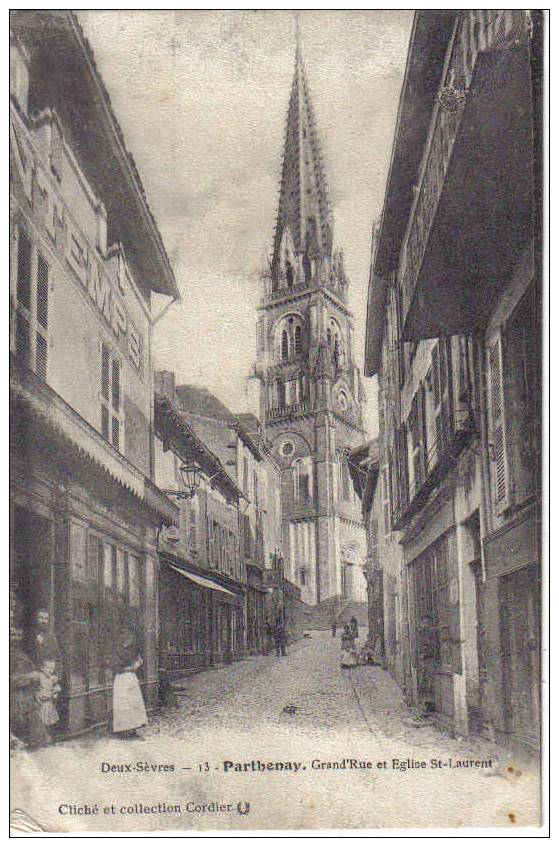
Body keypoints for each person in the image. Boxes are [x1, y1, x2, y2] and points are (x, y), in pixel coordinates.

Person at [10, 623, 49, 748]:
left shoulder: (21, 653)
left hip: (27, 699)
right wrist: (28, 677)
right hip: (14, 700)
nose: (15, 638)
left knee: (40, 739)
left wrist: (36, 683)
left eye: (17, 635)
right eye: (12, 635)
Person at [112, 632, 148, 739]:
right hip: (122, 680)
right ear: (124, 640)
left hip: (131, 678)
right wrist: (131, 668)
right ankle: (123, 730)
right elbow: (116, 667)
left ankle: (133, 729)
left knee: (134, 704)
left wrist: (138, 663)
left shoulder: (130, 651)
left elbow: (137, 660)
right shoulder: (117, 651)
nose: (130, 642)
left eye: (131, 640)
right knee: (124, 705)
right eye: (128, 639)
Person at [36, 658, 61, 732]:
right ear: (42, 668)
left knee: (49, 720)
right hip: (40, 703)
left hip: (48, 702)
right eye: (49, 668)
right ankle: (43, 736)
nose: (51, 671)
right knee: (40, 720)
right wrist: (38, 696)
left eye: (52, 669)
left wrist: (54, 692)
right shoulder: (39, 677)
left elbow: (57, 688)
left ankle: (48, 735)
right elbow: (35, 689)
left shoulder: (52, 678)